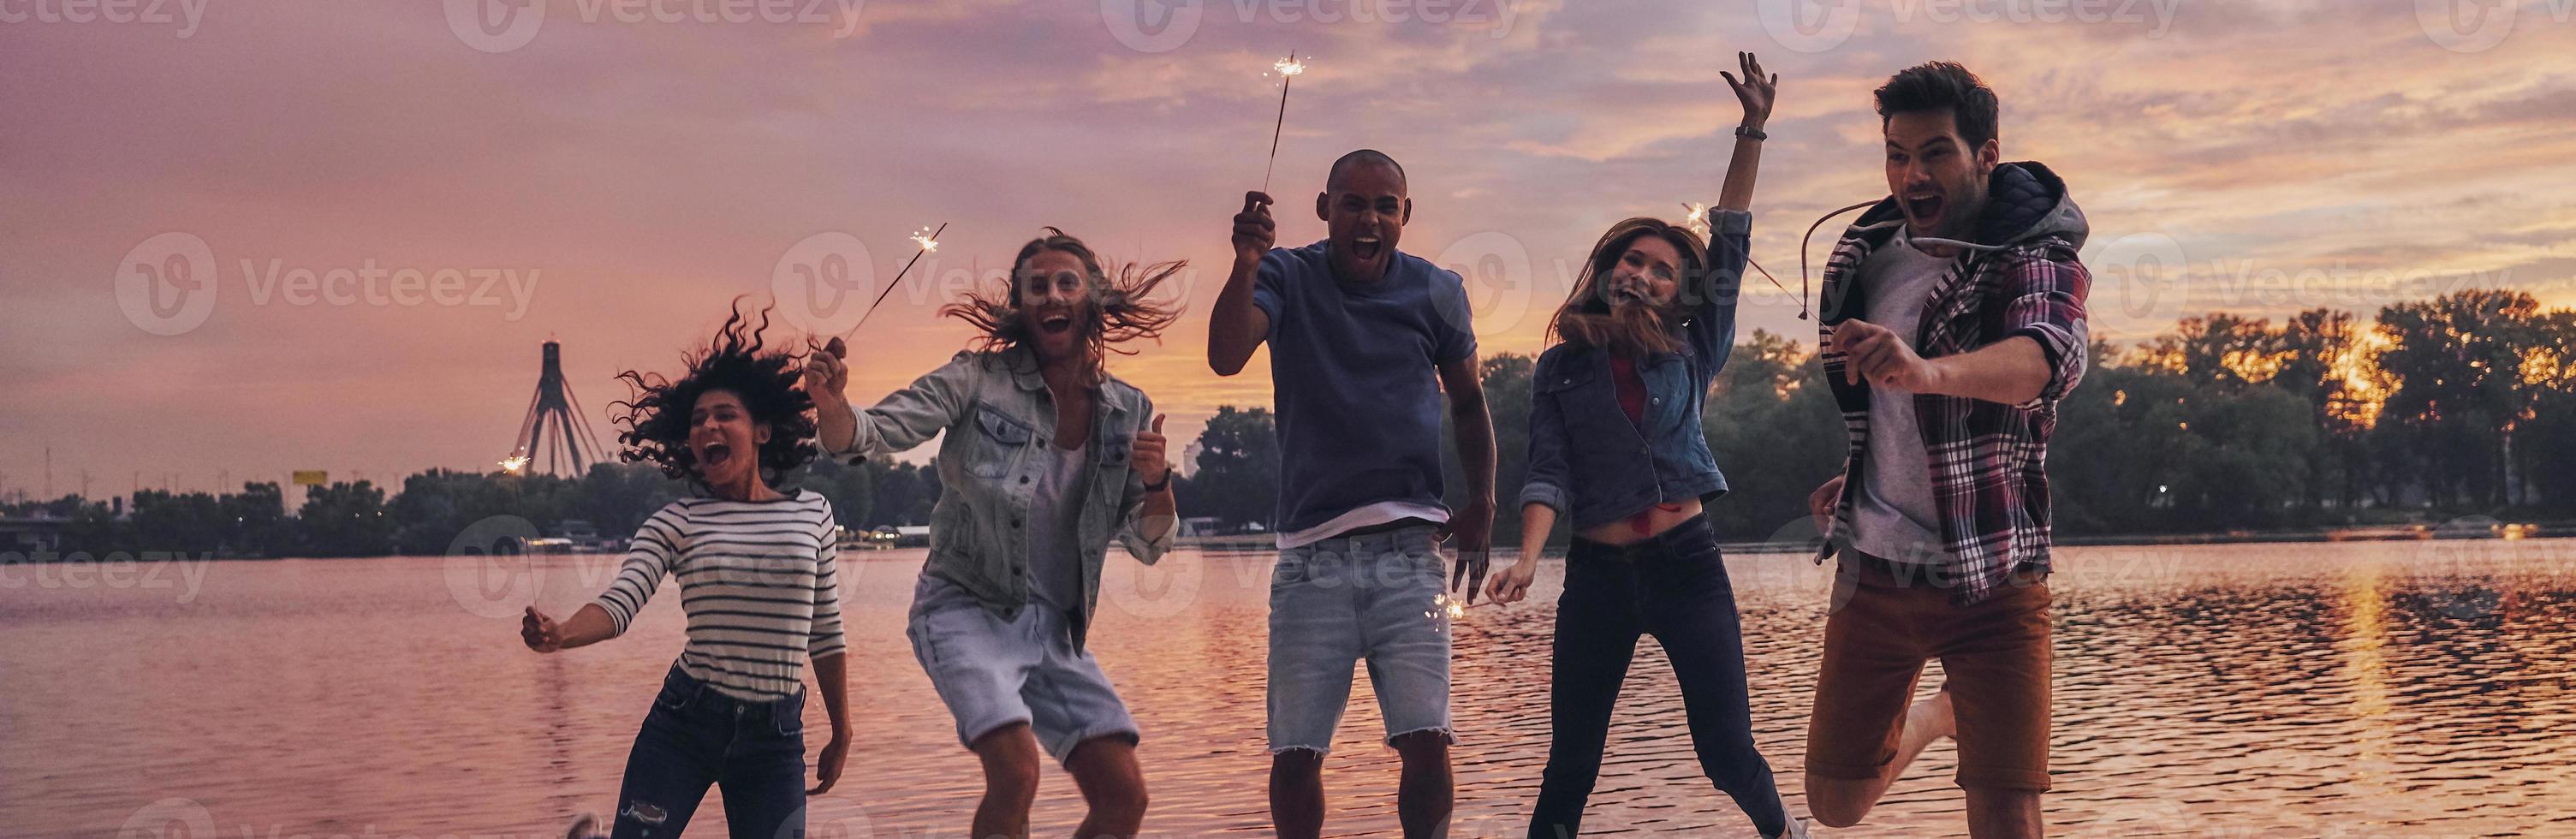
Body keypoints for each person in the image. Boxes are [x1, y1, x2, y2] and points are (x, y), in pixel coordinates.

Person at [1484, 52, 1806, 839]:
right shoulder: (1560, 366)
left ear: (1678, 292)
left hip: (1685, 568)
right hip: (1596, 578)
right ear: (1606, 269)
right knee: (1571, 765)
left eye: (1663, 270)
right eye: (1633, 259)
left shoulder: (1694, 349)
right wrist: (1527, 558)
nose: (1644, 273)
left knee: (1727, 754)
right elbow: (1548, 472)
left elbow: (1728, 242)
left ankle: (1787, 834)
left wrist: (1752, 129)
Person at [804, 228, 1182, 839]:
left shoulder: (1128, 410)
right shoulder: (976, 380)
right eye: (1036, 287)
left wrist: (1158, 480)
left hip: (1056, 631)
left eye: (1066, 283)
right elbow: (871, 435)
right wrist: (832, 405)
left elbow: (1148, 542)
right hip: (965, 609)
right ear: (1020, 306)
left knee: (1124, 796)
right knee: (1016, 773)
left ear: (1093, 299)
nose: (1051, 295)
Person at [1799, 61, 2091, 838]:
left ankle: (1969, 726)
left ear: (1984, 156)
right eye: (1896, 153)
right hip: (1875, 569)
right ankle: (1935, 720)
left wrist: (1926, 371)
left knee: (2007, 813)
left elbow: (2044, 360)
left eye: (1934, 152)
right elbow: (1884, 415)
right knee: (1833, 804)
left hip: (1995, 574)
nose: (1911, 173)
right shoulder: (1867, 256)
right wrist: (1859, 474)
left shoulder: (2033, 257)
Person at [1211, 148, 1497, 839]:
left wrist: (1483, 502)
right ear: (1323, 209)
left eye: (1383, 206)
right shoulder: (1287, 273)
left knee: (1427, 737)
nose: (1367, 219)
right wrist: (1247, 261)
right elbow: (1225, 356)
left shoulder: (1435, 291)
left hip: (1409, 555)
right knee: (1296, 750)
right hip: (1311, 560)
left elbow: (1467, 403)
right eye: (1352, 204)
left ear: (1404, 216)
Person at [521, 302, 851, 839]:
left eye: (725, 415)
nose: (709, 427)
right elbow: (619, 604)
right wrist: (560, 635)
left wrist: (842, 729)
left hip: (775, 737)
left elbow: (826, 631)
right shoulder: (675, 521)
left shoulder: (811, 513)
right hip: (686, 723)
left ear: (762, 431)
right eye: (698, 421)